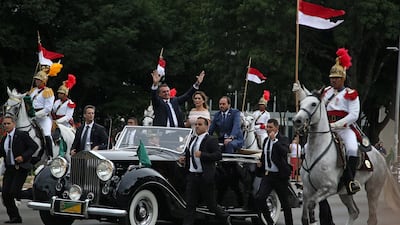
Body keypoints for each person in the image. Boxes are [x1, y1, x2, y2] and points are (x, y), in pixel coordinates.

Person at [321, 48, 361, 195]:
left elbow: (354, 115)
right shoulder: (326, 92)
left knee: (351, 148)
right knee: (307, 147)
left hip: (344, 128)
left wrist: (338, 124)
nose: (333, 80)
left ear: (342, 78)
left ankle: (350, 180)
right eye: (331, 77)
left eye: (336, 77)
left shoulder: (350, 94)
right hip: (326, 128)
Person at [178, 117, 231, 225]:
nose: (197, 126)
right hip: (193, 176)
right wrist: (184, 159)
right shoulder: (192, 139)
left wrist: (203, 155)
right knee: (190, 205)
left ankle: (225, 217)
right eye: (196, 124)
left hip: (205, 176)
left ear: (207, 127)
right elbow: (191, 154)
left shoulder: (211, 140)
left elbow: (218, 155)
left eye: (200, 124)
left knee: (211, 204)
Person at [0, 115, 38, 223]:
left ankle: (31, 193)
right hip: (10, 169)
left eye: (8, 123)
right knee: (5, 194)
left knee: (14, 192)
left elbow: (34, 146)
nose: (6, 126)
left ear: (14, 124)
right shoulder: (4, 138)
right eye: (4, 124)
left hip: (20, 168)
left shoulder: (21, 135)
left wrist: (23, 156)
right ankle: (15, 217)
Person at [255, 118, 293, 225]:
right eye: (267, 127)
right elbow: (264, 156)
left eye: (270, 127)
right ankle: (269, 222)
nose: (268, 129)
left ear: (277, 128)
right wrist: (260, 164)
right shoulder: (266, 141)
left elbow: (284, 152)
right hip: (268, 175)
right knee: (260, 198)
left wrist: (275, 141)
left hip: (280, 176)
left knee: (285, 203)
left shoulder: (282, 139)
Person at [28, 70, 55, 157]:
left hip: (43, 118)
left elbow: (48, 108)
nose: (36, 81)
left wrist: (35, 115)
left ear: (44, 81)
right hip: (31, 117)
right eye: (36, 79)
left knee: (46, 134)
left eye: (39, 80)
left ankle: (50, 156)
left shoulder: (48, 91)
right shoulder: (32, 90)